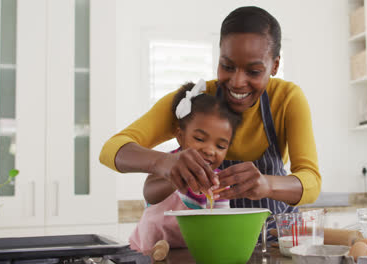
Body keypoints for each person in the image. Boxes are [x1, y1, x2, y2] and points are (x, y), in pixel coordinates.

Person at [99, 6, 321, 240]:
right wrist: (162, 162)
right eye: (227, 66)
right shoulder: (196, 102)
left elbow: (312, 181)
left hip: (274, 239)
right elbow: (111, 149)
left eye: (254, 71)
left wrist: (267, 184)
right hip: (212, 244)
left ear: (275, 65)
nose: (237, 82)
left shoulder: (287, 99)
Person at [129, 80, 241, 254]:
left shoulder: (218, 183)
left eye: (220, 146)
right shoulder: (166, 164)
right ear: (181, 136)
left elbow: (221, 224)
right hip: (147, 253)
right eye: (200, 139)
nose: (210, 151)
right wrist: (178, 176)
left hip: (188, 256)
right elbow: (150, 193)